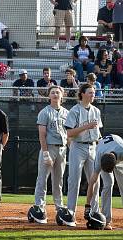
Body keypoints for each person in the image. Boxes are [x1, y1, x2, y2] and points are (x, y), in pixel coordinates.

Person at [27, 86, 68, 223]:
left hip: (62, 149)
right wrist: (45, 153)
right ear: (49, 96)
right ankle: (39, 206)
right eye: (53, 92)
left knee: (59, 180)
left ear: (62, 95)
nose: (55, 94)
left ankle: (59, 207)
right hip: (49, 147)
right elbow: (42, 134)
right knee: (42, 178)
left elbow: (70, 135)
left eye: (57, 92)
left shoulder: (67, 113)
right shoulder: (44, 112)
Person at [63, 83, 102, 227]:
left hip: (93, 147)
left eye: (94, 92)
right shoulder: (75, 110)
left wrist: (101, 146)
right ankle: (70, 214)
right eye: (90, 92)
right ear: (82, 94)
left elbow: (98, 133)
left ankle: (94, 213)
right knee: (74, 180)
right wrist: (86, 126)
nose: (93, 95)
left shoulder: (96, 111)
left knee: (95, 181)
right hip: (78, 147)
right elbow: (68, 133)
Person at [85, 134, 123, 230]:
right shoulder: (99, 155)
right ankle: (106, 220)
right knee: (108, 183)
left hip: (119, 151)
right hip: (104, 148)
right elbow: (92, 183)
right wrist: (87, 205)